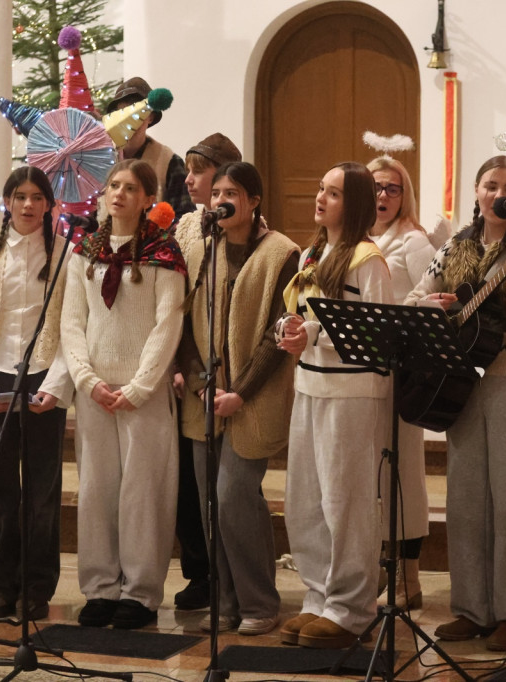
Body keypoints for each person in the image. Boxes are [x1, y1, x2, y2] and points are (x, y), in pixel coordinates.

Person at [405, 155, 506, 652]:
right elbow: (414, 297)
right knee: (467, 501)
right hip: (462, 381)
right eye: (490, 184)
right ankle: (472, 609)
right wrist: (428, 305)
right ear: (476, 191)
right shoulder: (455, 246)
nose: (499, 193)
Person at [61, 159, 187, 630]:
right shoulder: (84, 250)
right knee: (96, 489)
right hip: (94, 390)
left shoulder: (164, 252)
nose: (119, 194)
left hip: (143, 392)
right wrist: (87, 379)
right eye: (113, 185)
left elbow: (167, 322)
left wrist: (139, 386)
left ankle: (139, 592)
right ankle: (99, 587)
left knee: (142, 492)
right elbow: (71, 321)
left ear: (147, 199)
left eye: (131, 188)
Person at [178, 161, 299, 635]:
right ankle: (226, 602)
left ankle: (260, 603)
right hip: (205, 395)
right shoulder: (201, 250)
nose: (221, 200)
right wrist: (199, 379)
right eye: (217, 193)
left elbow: (277, 332)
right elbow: (185, 320)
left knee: (233, 496)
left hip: (253, 395)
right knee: (210, 503)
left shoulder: (281, 253)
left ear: (253, 201)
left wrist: (240, 393)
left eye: (232, 192)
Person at [278, 161, 392, 649]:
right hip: (309, 387)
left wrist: (316, 333)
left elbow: (378, 333)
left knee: (346, 503)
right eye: (320, 189)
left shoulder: (369, 259)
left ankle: (351, 608)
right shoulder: (311, 252)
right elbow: (299, 313)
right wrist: (286, 330)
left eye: (334, 193)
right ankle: (318, 597)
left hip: (351, 394)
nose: (321, 198)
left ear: (357, 203)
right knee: (306, 502)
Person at [0, 166, 73, 621]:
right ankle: (0, 586)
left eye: (37, 197)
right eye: (20, 196)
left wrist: (56, 384)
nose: (28, 205)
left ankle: (37, 587)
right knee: (0, 490)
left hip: (44, 377)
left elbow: (72, 327)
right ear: (7, 201)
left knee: (43, 492)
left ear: (49, 204)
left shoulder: (66, 255)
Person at [168, 132, 242, 612]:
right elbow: (175, 297)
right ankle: (200, 571)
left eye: (200, 171)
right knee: (188, 484)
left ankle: (232, 575)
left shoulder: (248, 230)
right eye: (191, 171)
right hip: (185, 367)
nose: (190, 179)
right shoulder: (183, 226)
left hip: (226, 369)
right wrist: (178, 362)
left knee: (224, 483)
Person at [365, 154, 433, 608]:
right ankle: (379, 569)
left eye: (393, 188)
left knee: (405, 475)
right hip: (363, 371)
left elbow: (430, 297)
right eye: (375, 187)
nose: (383, 196)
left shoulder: (413, 241)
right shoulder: (358, 240)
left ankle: (410, 579)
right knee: (375, 476)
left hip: (402, 372)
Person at [105, 77, 194, 219]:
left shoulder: (169, 161)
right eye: (123, 114)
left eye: (136, 115)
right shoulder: (101, 157)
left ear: (150, 117)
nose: (130, 122)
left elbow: (184, 219)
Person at [176, 132, 243, 250]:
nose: (188, 180)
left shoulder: (247, 227)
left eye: (197, 171)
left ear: (223, 175)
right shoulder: (184, 227)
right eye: (188, 171)